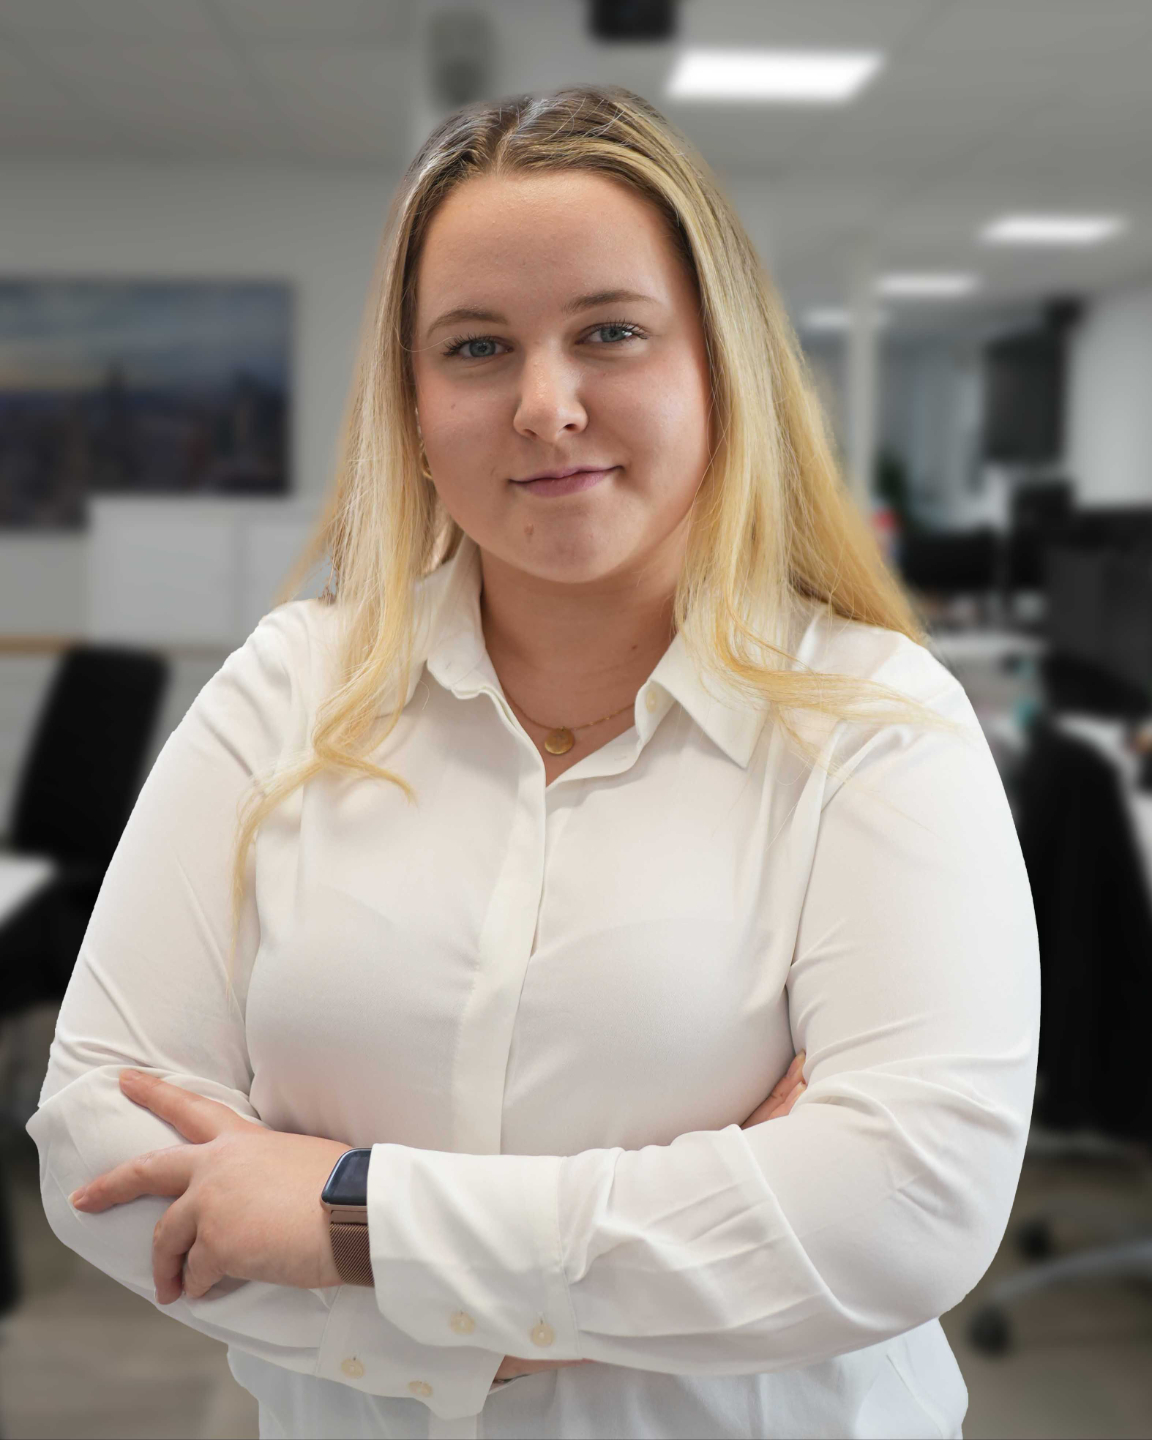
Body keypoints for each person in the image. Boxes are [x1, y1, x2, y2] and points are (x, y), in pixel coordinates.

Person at [26, 85, 1039, 1440]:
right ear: (414, 403)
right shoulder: (288, 692)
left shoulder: (875, 723)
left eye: (610, 332)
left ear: (719, 365)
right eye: (477, 347)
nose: (546, 405)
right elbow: (102, 1149)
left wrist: (347, 1217)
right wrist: (541, 1315)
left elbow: (900, 1212)